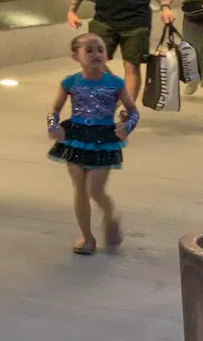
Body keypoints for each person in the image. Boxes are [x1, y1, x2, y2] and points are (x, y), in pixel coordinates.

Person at [48, 31, 139, 254]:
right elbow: (55, 110)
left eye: (100, 49)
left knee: (95, 190)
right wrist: (53, 126)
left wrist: (126, 127)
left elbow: (133, 111)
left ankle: (110, 217)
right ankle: (87, 237)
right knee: (79, 187)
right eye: (88, 50)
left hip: (103, 139)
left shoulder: (115, 83)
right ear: (76, 56)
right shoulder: (69, 82)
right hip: (76, 137)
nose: (96, 54)